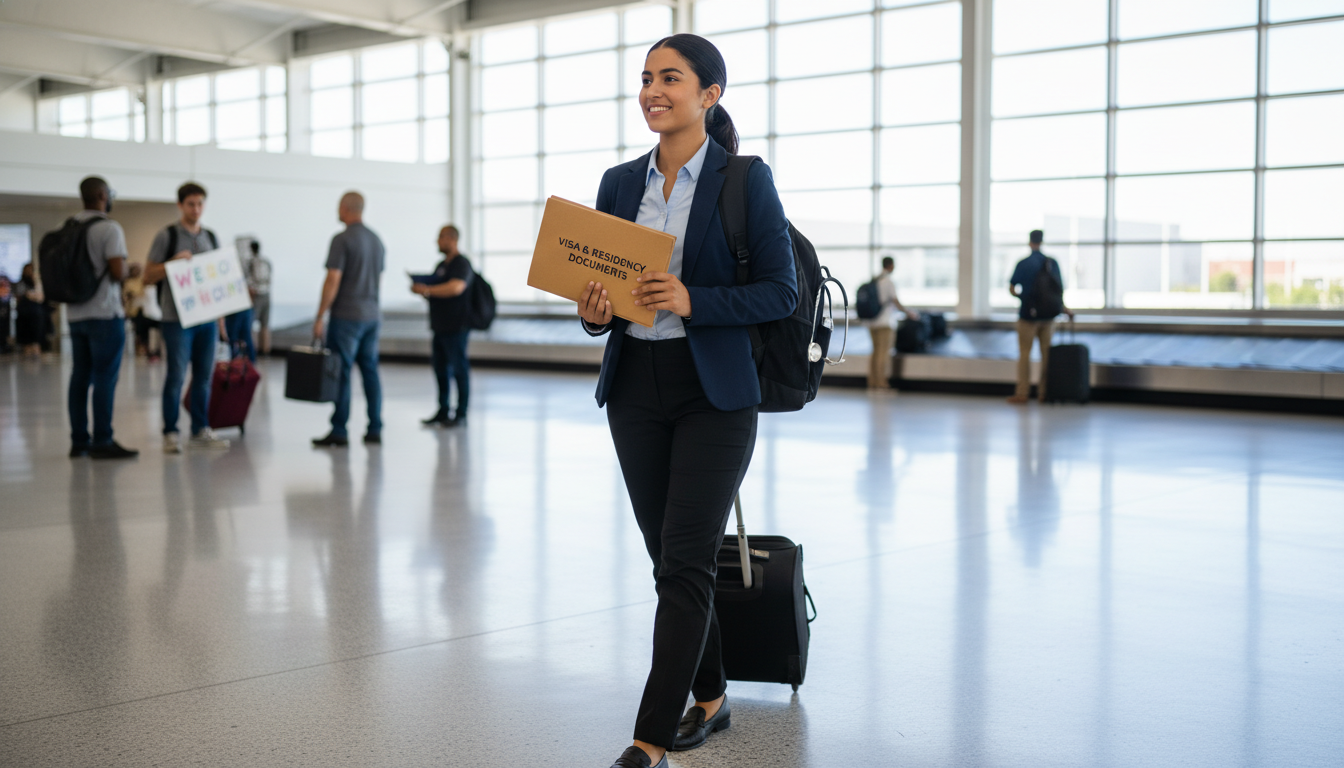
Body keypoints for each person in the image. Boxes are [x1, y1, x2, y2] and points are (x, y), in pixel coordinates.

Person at [577, 34, 797, 768]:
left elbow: (779, 291)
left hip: (715, 393)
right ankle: (712, 695)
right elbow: (595, 296)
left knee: (684, 560)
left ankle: (649, 740)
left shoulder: (744, 181)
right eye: (645, 79)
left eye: (670, 78)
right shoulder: (617, 183)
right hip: (635, 385)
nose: (652, 90)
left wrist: (692, 299)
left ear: (710, 94)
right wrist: (596, 310)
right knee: (669, 557)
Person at [142, 182, 231, 452]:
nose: (196, 209)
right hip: (177, 318)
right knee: (177, 375)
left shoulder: (211, 237)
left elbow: (218, 280)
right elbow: (147, 275)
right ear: (180, 205)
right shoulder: (167, 236)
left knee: (204, 376)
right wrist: (173, 263)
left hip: (207, 318)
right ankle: (171, 431)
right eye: (191, 204)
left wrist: (221, 319)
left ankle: (200, 428)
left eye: (200, 204)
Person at [65, 176, 140, 459]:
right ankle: (102, 440)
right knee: (104, 378)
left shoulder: (68, 226)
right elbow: (117, 272)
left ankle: (79, 440)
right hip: (105, 314)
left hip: (75, 314)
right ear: (100, 195)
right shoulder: (109, 228)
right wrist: (131, 270)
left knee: (79, 377)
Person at [312, 191, 385, 447]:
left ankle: (339, 430)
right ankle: (375, 427)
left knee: (341, 373)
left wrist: (320, 315)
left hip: (347, 316)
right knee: (370, 372)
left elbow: (333, 279)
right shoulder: (377, 241)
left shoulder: (341, 240)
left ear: (345, 208)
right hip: (372, 316)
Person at [412, 225, 473, 428]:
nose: (437, 241)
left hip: (456, 327)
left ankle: (461, 413)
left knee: (459, 369)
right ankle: (443, 410)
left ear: (452, 239)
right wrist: (424, 290)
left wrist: (428, 289)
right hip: (439, 326)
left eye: (441, 237)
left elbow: (456, 287)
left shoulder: (461, 263)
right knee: (440, 370)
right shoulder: (441, 265)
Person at [1007, 229, 1073, 404]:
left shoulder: (1023, 263)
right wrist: (1064, 309)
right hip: (1049, 317)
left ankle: (1022, 393)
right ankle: (1044, 393)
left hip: (1027, 317)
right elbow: (1059, 290)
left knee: (1024, 355)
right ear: (1042, 242)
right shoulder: (1052, 263)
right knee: (1047, 356)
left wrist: (1023, 298)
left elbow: (1012, 288)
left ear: (1030, 243)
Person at [864, 255, 919, 390]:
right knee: (883, 353)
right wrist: (908, 313)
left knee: (876, 352)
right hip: (885, 322)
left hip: (872, 321)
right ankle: (882, 383)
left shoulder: (875, 280)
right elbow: (895, 301)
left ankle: (872, 382)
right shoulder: (888, 281)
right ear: (891, 266)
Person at [245, 240, 273, 356]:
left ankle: (253, 350)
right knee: (265, 325)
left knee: (251, 324)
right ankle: (265, 350)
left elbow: (249, 280)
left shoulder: (251, 262)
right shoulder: (266, 261)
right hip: (267, 294)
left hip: (256, 294)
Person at [14, 263, 46, 358]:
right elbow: (24, 295)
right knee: (25, 328)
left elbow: (40, 297)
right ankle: (27, 347)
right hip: (25, 311)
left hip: (36, 312)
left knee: (38, 327)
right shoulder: (21, 283)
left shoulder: (37, 283)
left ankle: (36, 346)